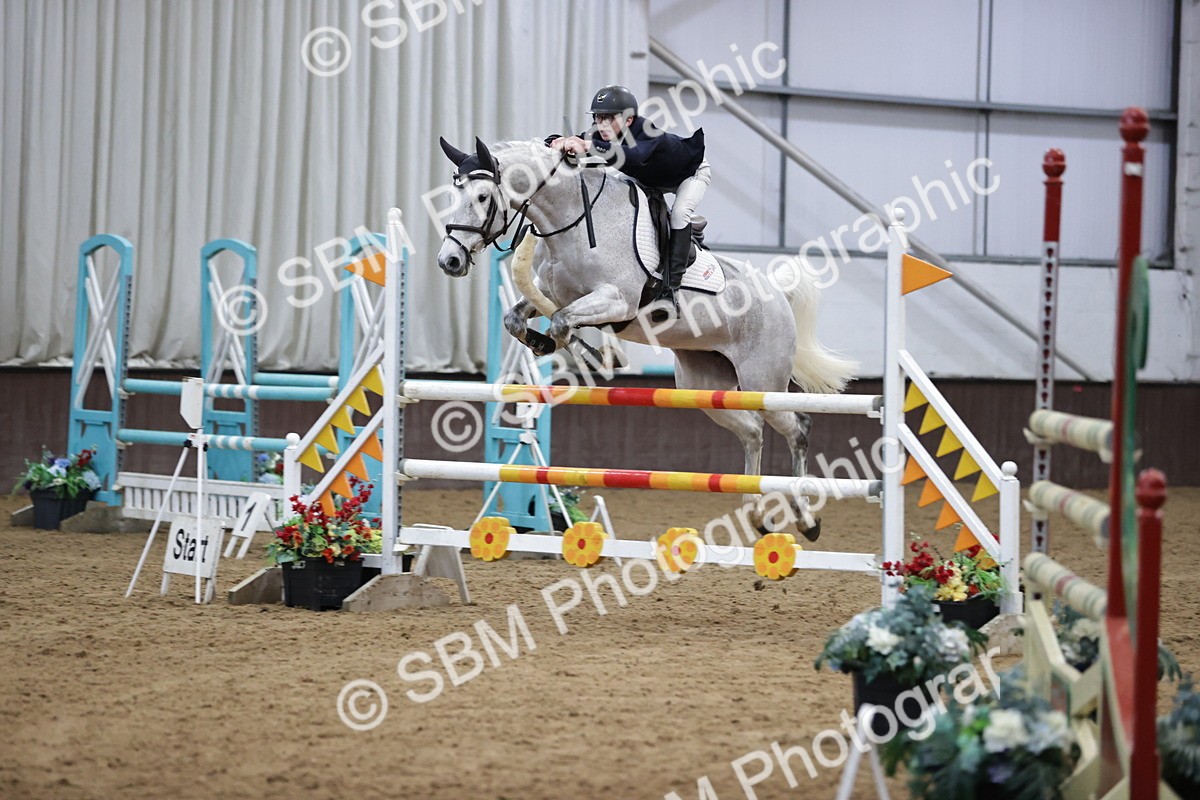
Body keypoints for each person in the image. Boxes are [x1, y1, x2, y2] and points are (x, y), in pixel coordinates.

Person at [549, 84, 709, 305]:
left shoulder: (647, 130)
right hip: (651, 177)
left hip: (688, 174)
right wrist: (557, 141)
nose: (601, 124)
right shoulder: (601, 131)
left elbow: (633, 156)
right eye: (598, 117)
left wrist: (586, 145)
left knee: (679, 214)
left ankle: (672, 289)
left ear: (629, 120)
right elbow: (581, 140)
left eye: (609, 118)